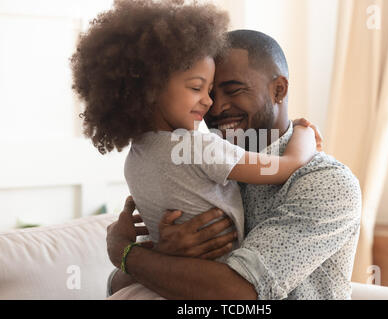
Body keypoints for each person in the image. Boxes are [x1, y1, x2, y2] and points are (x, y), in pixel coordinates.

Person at [71, 0, 319, 299]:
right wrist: (304, 133)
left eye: (220, 89)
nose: (211, 102)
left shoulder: (135, 160)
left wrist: (136, 253)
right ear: (151, 88)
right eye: (197, 88)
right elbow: (286, 166)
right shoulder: (198, 147)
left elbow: (134, 270)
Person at [105, 29, 362, 300]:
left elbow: (240, 294)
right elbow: (119, 286)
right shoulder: (191, 163)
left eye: (234, 91)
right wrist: (160, 255)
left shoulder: (326, 183)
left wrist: (125, 254)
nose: (214, 108)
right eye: (204, 91)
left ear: (279, 89)